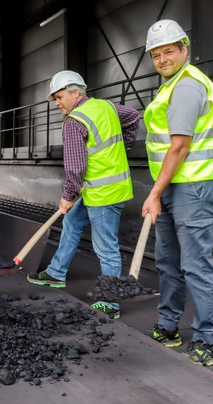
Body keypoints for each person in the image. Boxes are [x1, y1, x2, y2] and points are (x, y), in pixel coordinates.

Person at [141, 19, 213, 366]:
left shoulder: (188, 87)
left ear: (184, 49)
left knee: (195, 264)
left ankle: (206, 339)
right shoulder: (170, 87)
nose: (162, 59)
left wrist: (152, 194)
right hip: (174, 185)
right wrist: (160, 192)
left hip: (193, 186)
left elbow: (179, 147)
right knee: (167, 261)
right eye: (156, 54)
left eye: (168, 51)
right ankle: (168, 326)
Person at [27, 70, 140, 319]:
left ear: (75, 92)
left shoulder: (75, 121)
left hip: (102, 194)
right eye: (55, 99)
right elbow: (132, 116)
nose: (57, 103)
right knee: (72, 222)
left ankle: (110, 302)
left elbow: (76, 167)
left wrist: (68, 195)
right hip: (104, 188)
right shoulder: (106, 107)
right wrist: (125, 144)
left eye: (59, 97)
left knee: (106, 248)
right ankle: (56, 272)